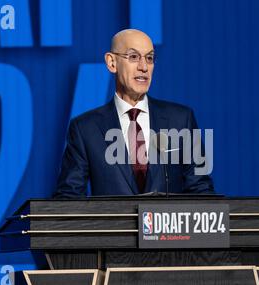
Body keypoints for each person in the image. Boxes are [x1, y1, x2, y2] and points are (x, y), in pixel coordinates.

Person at [53, 29, 214, 198]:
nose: (143, 67)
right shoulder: (85, 129)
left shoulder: (181, 119)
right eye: (134, 57)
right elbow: (68, 198)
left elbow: (202, 192)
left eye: (149, 58)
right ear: (111, 62)